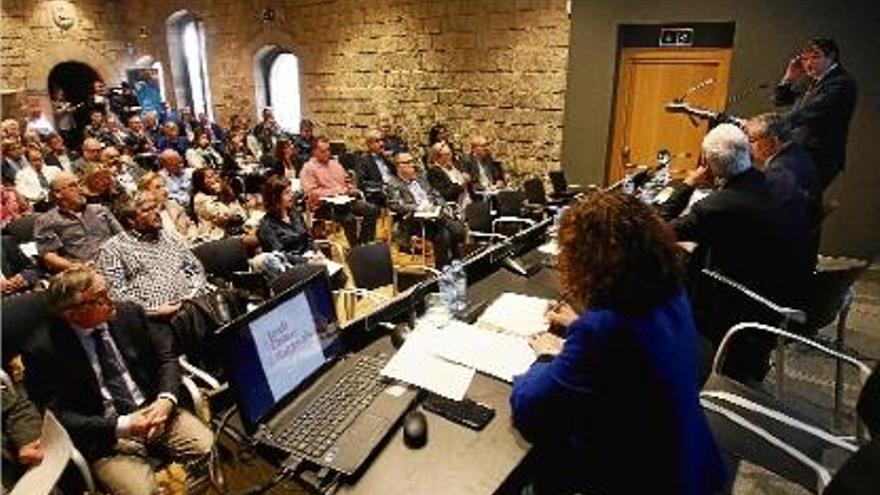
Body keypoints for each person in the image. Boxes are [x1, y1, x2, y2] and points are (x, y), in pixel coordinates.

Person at [510, 190, 726, 495]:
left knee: (546, 458)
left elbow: (530, 409)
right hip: (692, 459)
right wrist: (578, 323)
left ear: (589, 262)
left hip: (644, 478)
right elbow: (633, 347)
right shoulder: (669, 290)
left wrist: (546, 355)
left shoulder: (601, 331)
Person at [22, 267, 214, 495]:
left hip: (155, 411)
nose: (111, 300)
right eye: (99, 298)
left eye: (107, 290)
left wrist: (166, 399)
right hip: (106, 437)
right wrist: (123, 425)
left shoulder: (128, 314)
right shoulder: (43, 350)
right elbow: (58, 415)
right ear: (71, 313)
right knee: (142, 492)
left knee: (208, 448)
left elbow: (167, 358)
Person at [662, 124, 813, 381]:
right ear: (748, 153)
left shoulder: (716, 207)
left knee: (668, 266)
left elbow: (658, 227)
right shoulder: (783, 181)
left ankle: (670, 361)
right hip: (791, 294)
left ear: (709, 165)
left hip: (746, 305)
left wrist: (688, 183)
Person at [98, 193, 211, 318]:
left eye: (155, 207)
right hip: (153, 318)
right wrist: (152, 310)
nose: (156, 212)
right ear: (131, 220)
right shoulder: (113, 248)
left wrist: (193, 294)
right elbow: (116, 292)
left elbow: (195, 268)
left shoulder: (170, 236)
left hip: (192, 304)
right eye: (147, 210)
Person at [774, 37, 857, 190]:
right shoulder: (811, 81)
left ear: (831, 57)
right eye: (805, 58)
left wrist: (772, 127)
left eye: (815, 56)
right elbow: (780, 100)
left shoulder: (841, 83)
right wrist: (789, 77)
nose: (808, 63)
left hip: (820, 156)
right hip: (802, 152)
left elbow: (810, 111)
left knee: (801, 202)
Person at [744, 112, 821, 233]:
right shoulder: (797, 153)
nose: (749, 146)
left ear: (773, 141)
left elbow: (766, 217)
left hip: (788, 245)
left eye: (752, 140)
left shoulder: (780, 172)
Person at [387, 152, 465, 267]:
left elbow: (436, 195)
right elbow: (395, 205)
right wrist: (419, 208)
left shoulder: (421, 179)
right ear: (399, 166)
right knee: (454, 230)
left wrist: (444, 206)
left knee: (444, 234)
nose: (413, 165)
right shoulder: (393, 184)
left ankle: (444, 266)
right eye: (408, 162)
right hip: (415, 220)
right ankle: (454, 260)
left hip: (435, 215)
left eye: (412, 161)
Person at [33, 171, 123, 272]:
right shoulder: (47, 220)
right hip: (82, 271)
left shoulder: (100, 210)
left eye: (79, 184)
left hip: (116, 262)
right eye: (73, 186)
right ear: (58, 193)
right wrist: (77, 267)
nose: (80, 189)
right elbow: (49, 255)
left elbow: (122, 237)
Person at [300, 137, 378, 246]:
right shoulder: (308, 168)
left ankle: (365, 243)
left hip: (345, 200)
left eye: (328, 150)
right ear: (314, 152)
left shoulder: (335, 164)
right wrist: (335, 192)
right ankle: (355, 248)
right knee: (349, 219)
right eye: (323, 151)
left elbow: (347, 181)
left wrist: (351, 189)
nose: (327, 153)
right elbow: (311, 192)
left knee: (371, 209)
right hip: (324, 205)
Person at [137, 171, 199, 245]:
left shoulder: (173, 205)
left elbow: (190, 225)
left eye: (164, 186)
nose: (165, 190)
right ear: (147, 192)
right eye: (158, 187)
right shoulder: (147, 215)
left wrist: (192, 238)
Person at [191, 167, 248, 240]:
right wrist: (221, 194)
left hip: (236, 230)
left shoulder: (225, 192)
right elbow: (225, 216)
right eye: (210, 177)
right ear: (201, 183)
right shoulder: (200, 199)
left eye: (215, 174)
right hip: (215, 236)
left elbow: (241, 213)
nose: (216, 178)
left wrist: (226, 192)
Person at [356, 129, 396, 205]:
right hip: (381, 192)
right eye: (377, 141)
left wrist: (391, 160)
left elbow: (395, 174)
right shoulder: (363, 160)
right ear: (369, 144)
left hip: (395, 188)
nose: (381, 144)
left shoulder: (386, 157)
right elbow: (362, 183)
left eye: (382, 140)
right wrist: (382, 185)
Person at [426, 141, 471, 207]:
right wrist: (462, 184)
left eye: (450, 153)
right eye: (446, 155)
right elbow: (446, 193)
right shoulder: (434, 171)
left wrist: (468, 180)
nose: (450, 157)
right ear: (437, 157)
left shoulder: (456, 165)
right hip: (452, 205)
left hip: (468, 199)